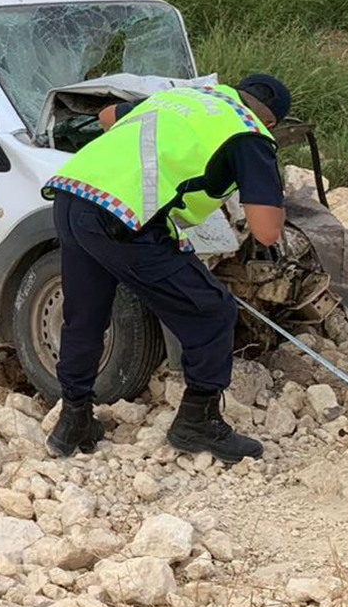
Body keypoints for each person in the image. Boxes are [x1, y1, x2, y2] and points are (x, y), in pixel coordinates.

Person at [41, 74, 293, 465]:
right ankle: (197, 422)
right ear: (272, 122)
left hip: (74, 195)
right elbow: (266, 231)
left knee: (84, 316)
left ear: (234, 90)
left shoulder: (186, 98)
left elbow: (108, 115)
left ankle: (73, 421)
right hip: (122, 220)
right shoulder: (249, 132)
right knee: (212, 311)